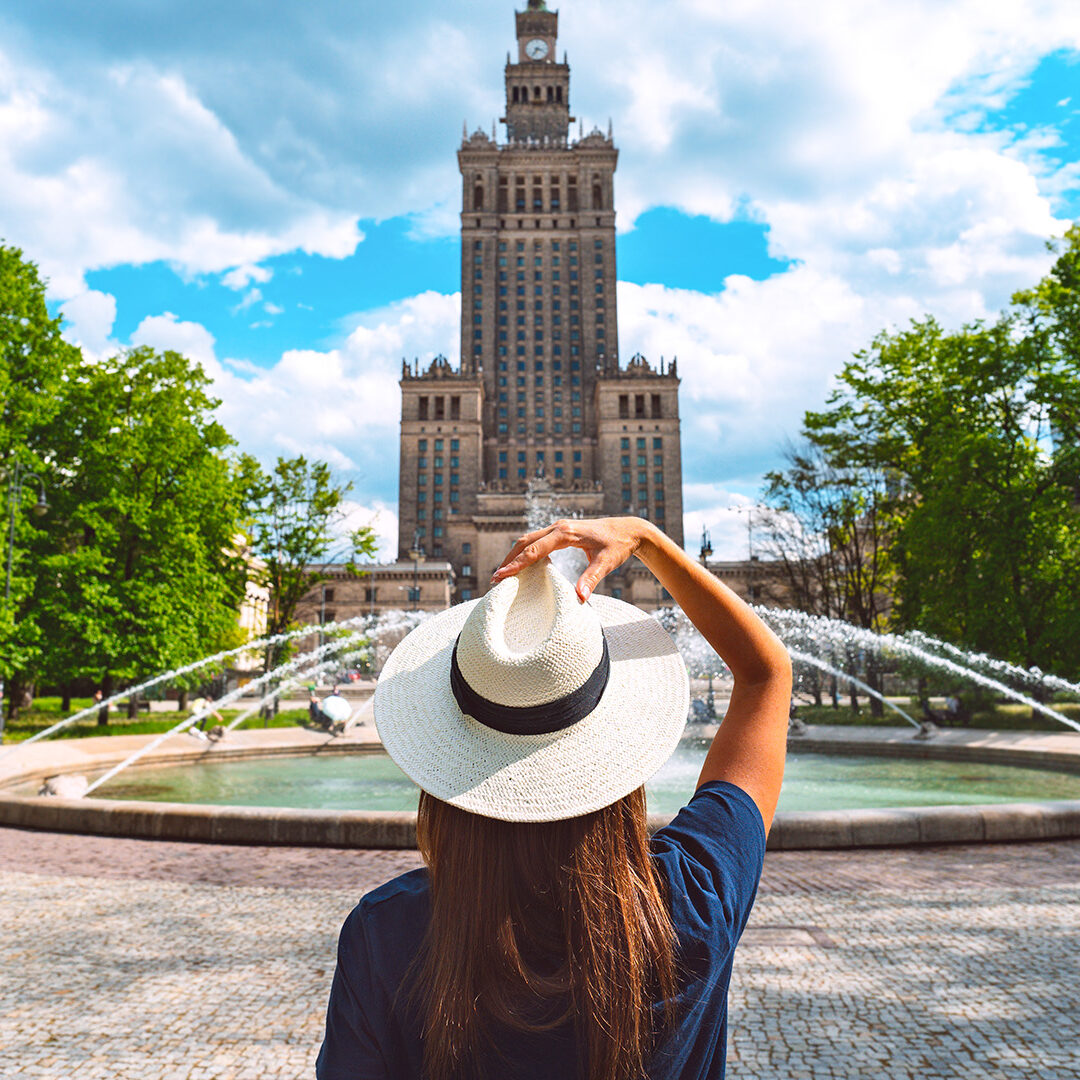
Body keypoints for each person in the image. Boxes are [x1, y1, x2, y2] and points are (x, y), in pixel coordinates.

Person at [317, 517, 792, 1080]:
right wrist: (648, 540)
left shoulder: (386, 931)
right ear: (615, 750)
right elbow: (766, 674)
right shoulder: (692, 898)